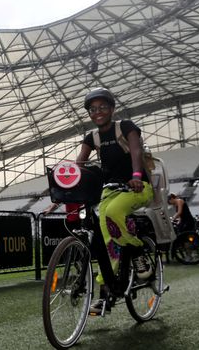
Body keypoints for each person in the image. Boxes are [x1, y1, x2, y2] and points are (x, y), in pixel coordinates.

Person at [75, 88, 155, 314]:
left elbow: (136, 151)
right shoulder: (93, 137)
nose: (97, 112)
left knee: (112, 213)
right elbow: (79, 164)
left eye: (102, 107)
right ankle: (106, 292)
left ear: (111, 109)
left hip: (137, 187)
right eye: (93, 109)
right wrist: (66, 180)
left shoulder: (126, 127)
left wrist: (137, 176)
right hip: (109, 191)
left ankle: (138, 250)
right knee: (102, 239)